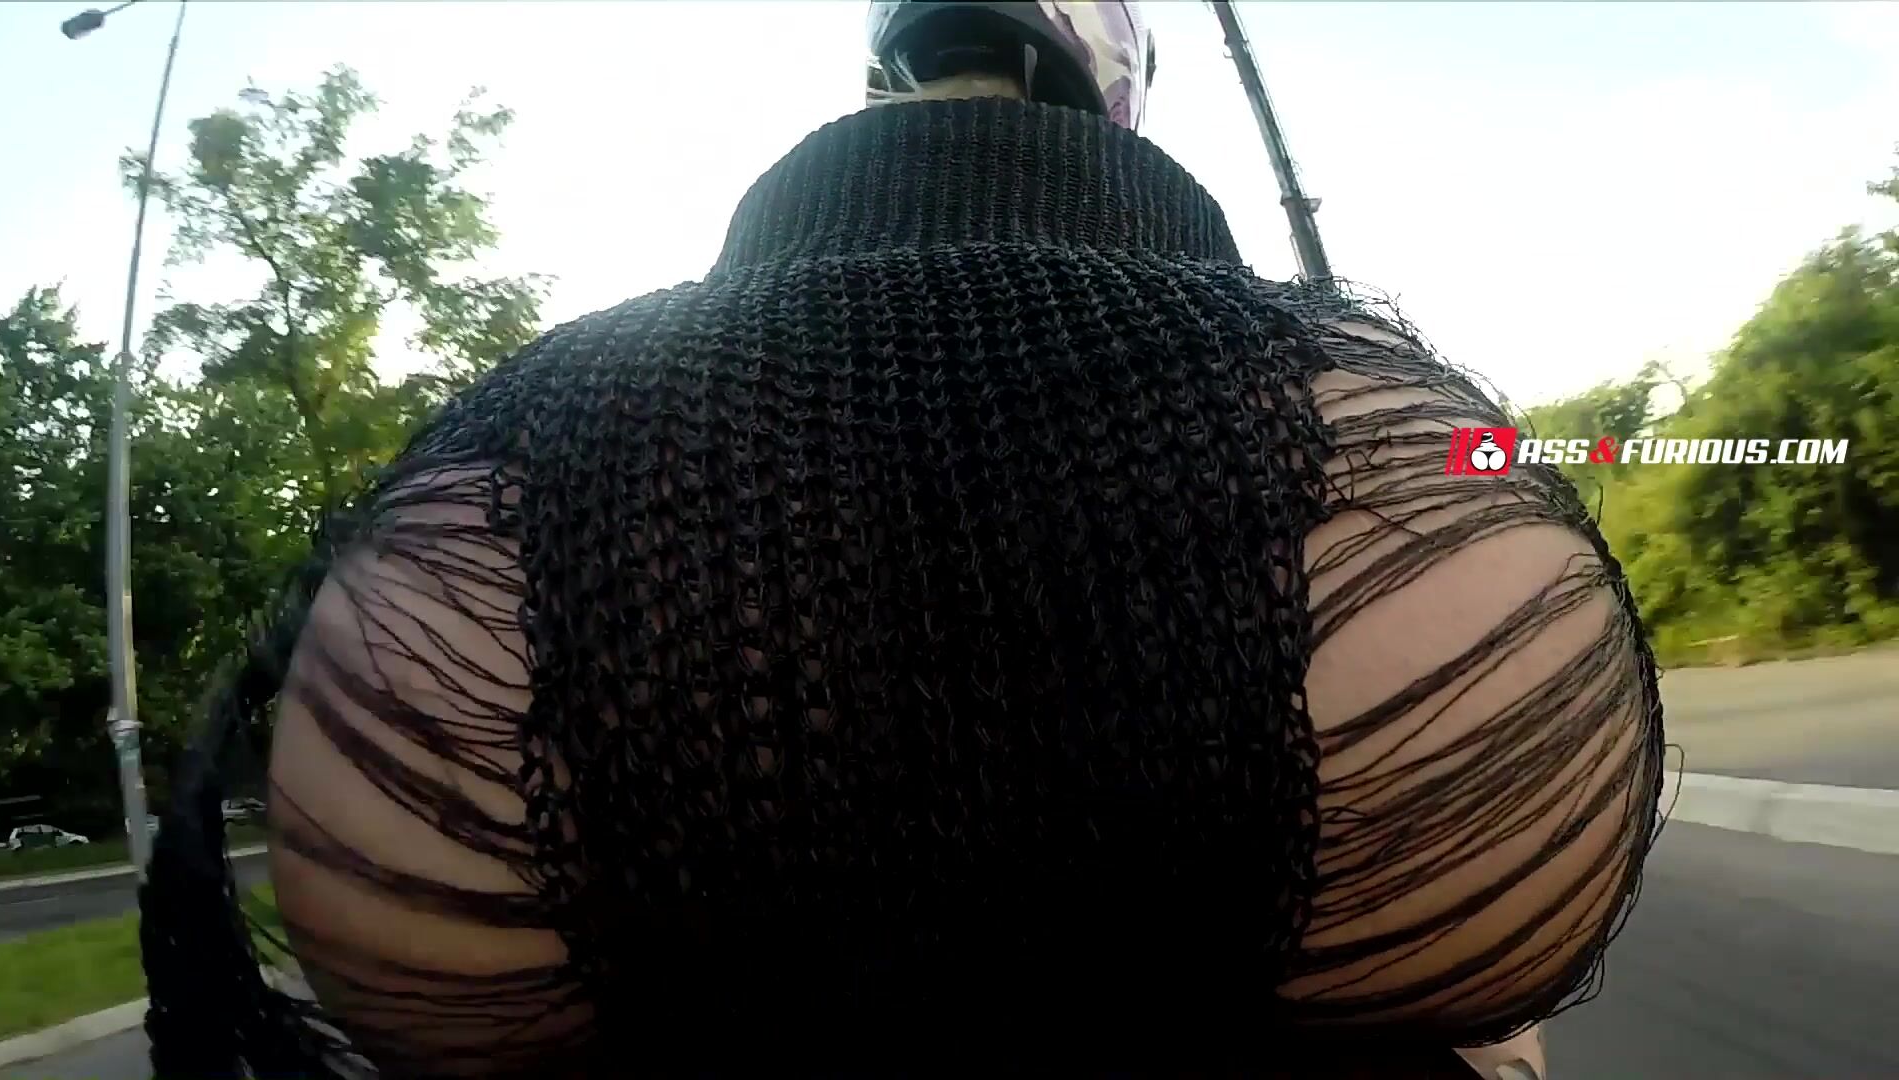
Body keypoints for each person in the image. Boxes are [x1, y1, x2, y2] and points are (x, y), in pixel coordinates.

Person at [139, 2, 1662, 1076]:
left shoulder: (524, 458)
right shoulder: (1373, 421)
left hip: (520, 736)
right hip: (1394, 759)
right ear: (1113, 82)